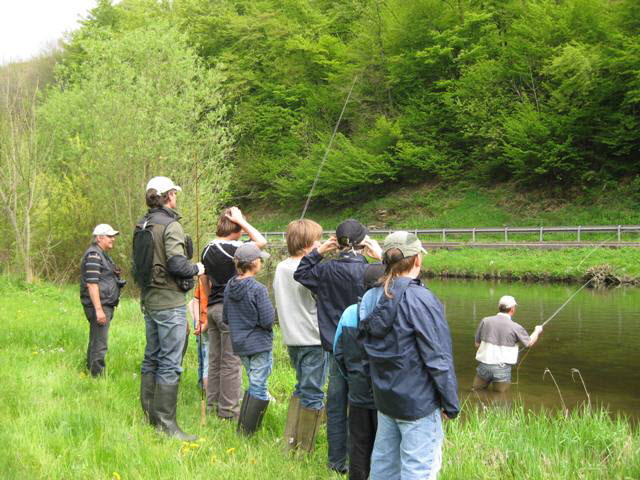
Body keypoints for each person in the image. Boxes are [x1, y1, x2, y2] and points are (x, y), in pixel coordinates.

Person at [358, 231, 460, 479]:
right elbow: (438, 357)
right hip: (418, 403)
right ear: (417, 260)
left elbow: (364, 348)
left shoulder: (371, 296)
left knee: (383, 467)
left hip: (385, 399)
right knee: (418, 470)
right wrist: (450, 403)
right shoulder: (422, 299)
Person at [294, 218, 382, 474]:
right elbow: (396, 284)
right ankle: (366, 459)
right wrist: (379, 257)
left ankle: (336, 461)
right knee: (365, 405)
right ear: (363, 243)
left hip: (335, 347)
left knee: (335, 405)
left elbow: (300, 273)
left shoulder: (325, 270)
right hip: (366, 348)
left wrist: (318, 251)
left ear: (338, 242)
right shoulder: (368, 269)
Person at [137, 176, 205, 441]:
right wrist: (197, 268)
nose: (177, 197)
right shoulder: (171, 225)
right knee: (170, 362)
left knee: (152, 356)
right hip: (169, 301)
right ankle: (166, 424)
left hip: (149, 299)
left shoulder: (143, 223)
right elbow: (177, 265)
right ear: (168, 197)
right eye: (174, 194)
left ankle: (150, 415)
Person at [201, 207, 267, 420]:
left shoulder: (206, 248)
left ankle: (212, 405)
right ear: (237, 228)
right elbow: (261, 243)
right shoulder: (235, 248)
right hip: (227, 310)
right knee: (230, 362)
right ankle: (228, 411)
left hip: (211, 308)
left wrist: (207, 306)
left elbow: (203, 281)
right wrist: (242, 221)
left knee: (215, 359)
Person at [273, 219, 328, 453]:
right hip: (313, 339)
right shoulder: (311, 270)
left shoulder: (280, 267)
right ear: (307, 245)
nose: (321, 243)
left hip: (292, 339)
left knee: (301, 388)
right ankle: (305, 448)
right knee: (314, 393)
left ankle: (290, 441)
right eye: (318, 240)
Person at [333, 264, 385, 480]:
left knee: (358, 444)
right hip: (386, 395)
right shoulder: (393, 312)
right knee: (384, 446)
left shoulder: (349, 313)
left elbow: (338, 353)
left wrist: (351, 377)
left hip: (357, 391)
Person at [223, 243, 274, 435]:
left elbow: (226, 317)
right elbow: (268, 320)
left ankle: (243, 428)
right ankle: (247, 433)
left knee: (253, 382)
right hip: (259, 344)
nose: (261, 261)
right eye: (260, 259)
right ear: (254, 263)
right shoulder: (258, 289)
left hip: (241, 344)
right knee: (259, 385)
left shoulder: (230, 285)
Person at [79, 223, 124, 377]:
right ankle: (97, 377)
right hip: (99, 306)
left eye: (113, 236)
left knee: (96, 339)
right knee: (100, 343)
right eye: (110, 236)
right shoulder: (93, 255)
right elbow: (92, 284)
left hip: (104, 304)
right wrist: (98, 310)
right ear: (99, 238)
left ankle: (90, 371)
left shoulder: (101, 254)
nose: (113, 239)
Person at [473, 295, 543, 392]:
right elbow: (529, 343)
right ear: (512, 309)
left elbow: (477, 344)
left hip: (483, 366)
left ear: (499, 307)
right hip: (502, 369)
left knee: (476, 394)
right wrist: (537, 331)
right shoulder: (516, 327)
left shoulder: (485, 321)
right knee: (501, 400)